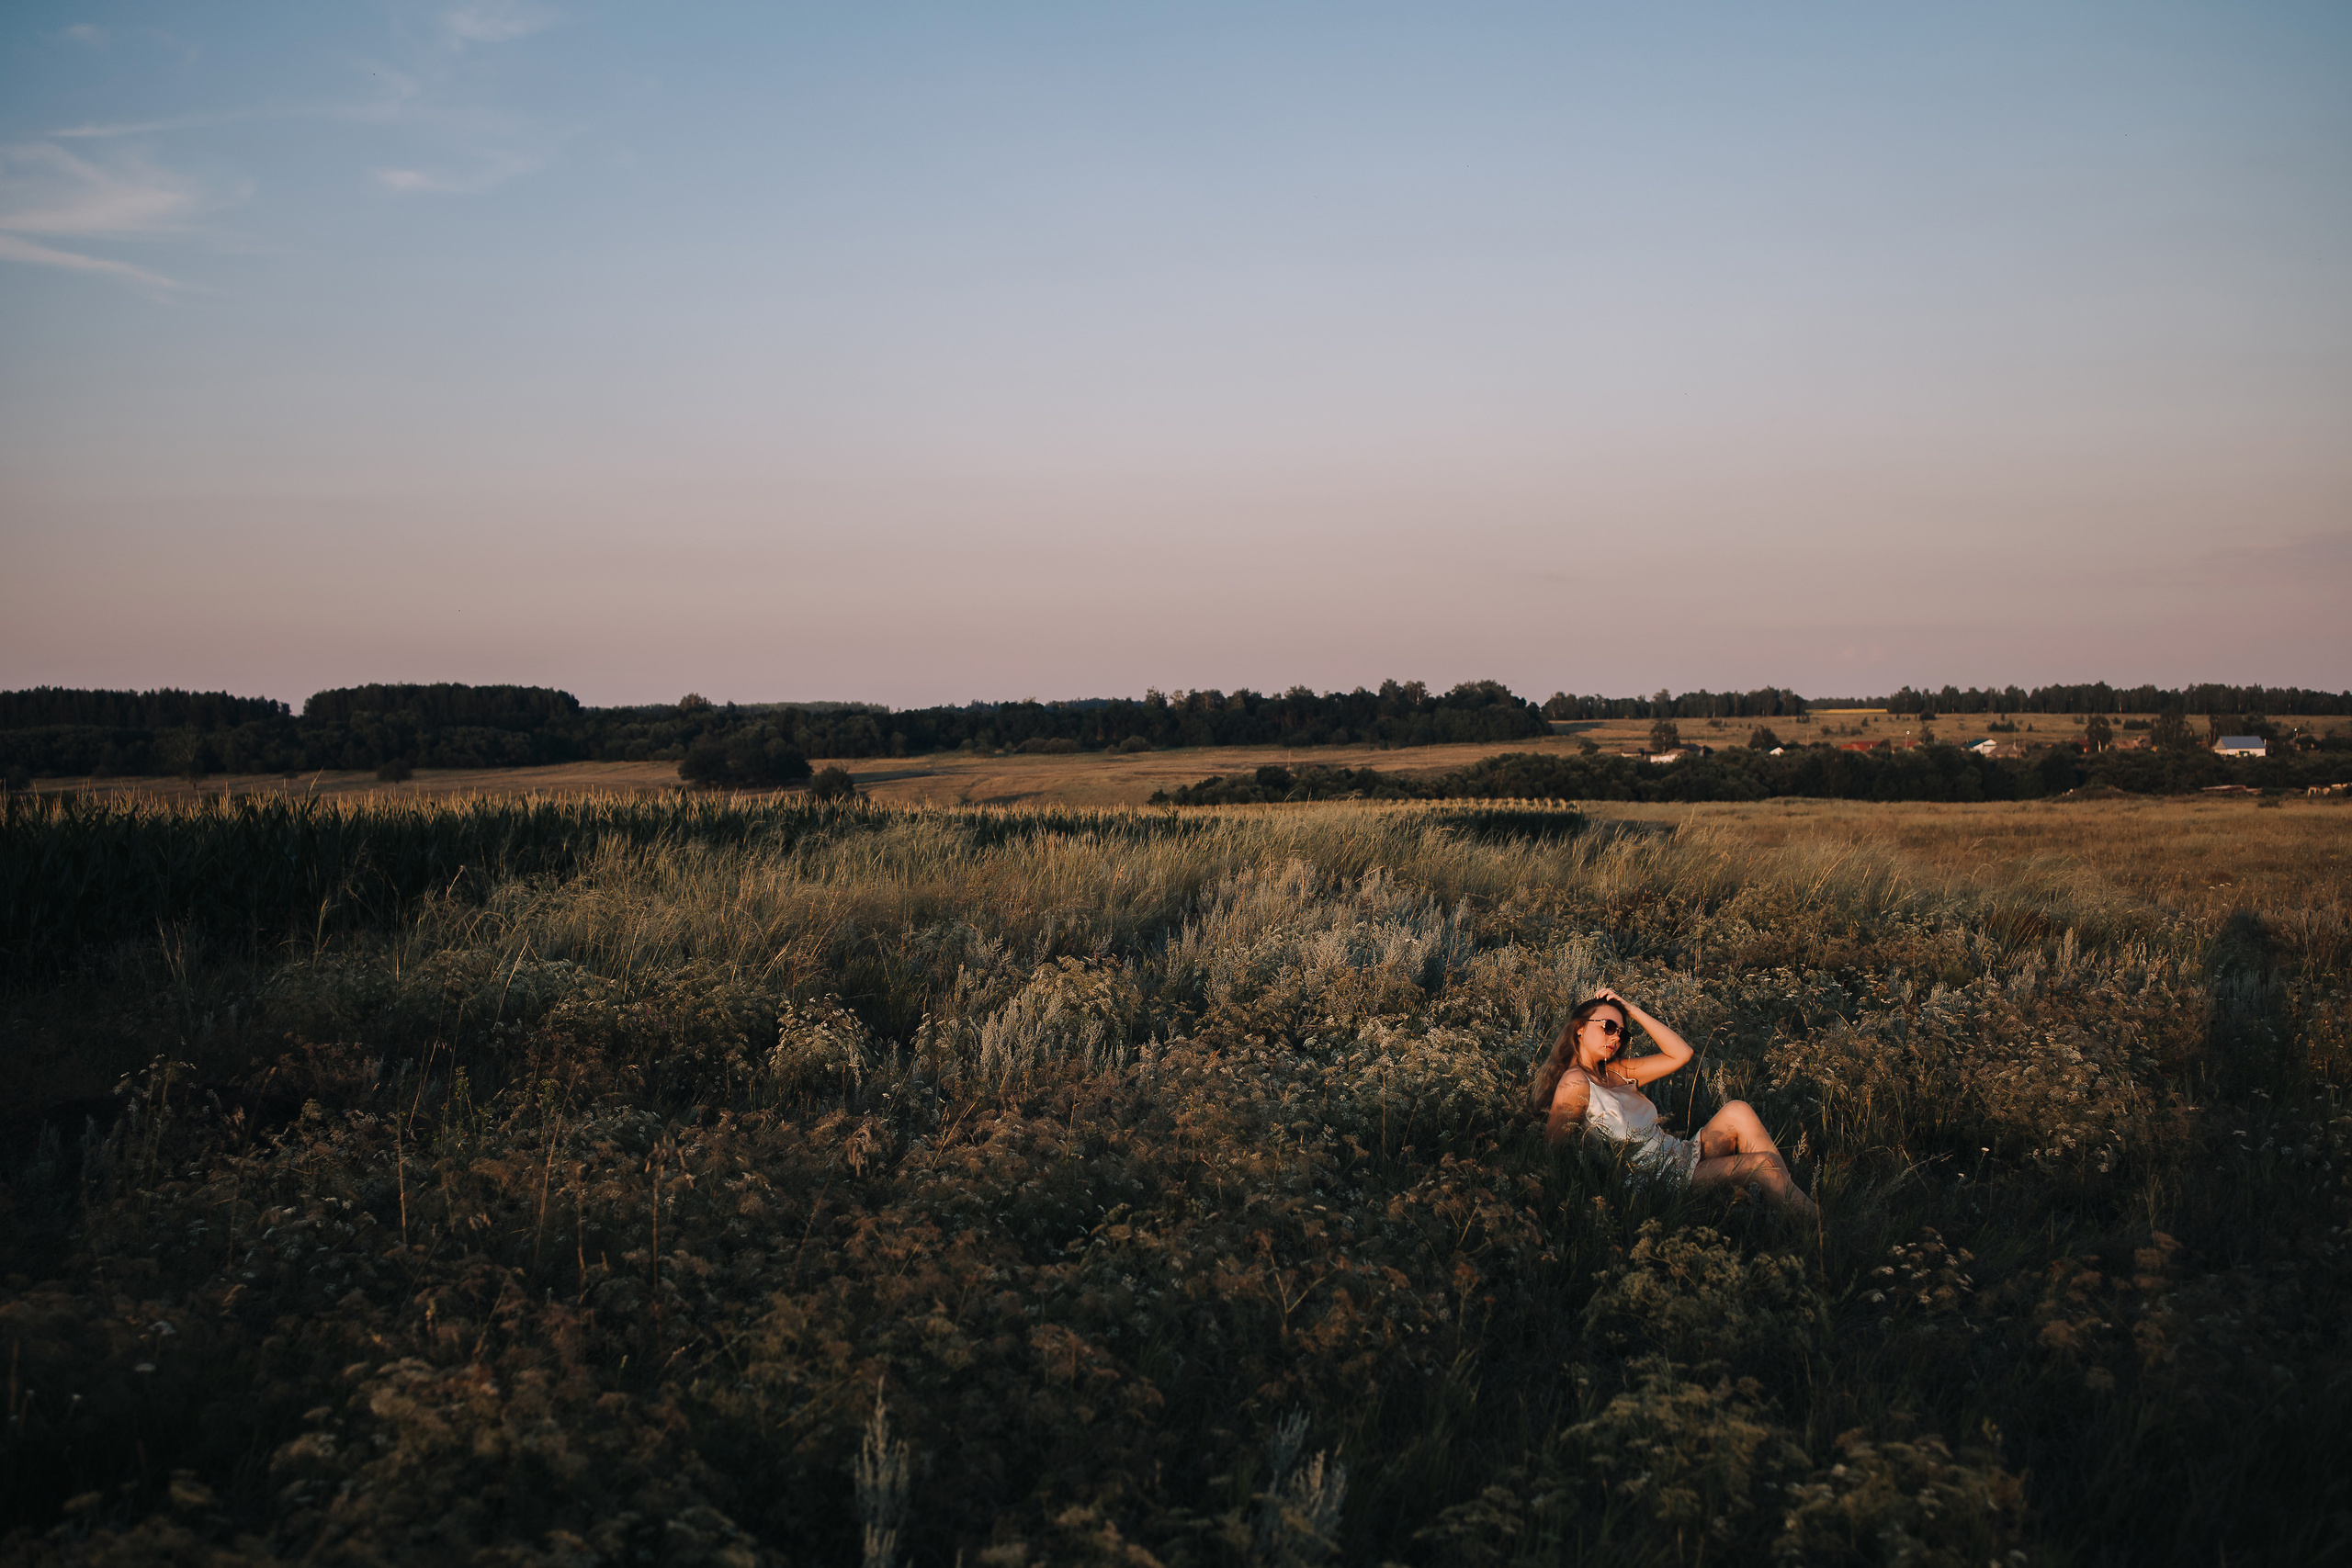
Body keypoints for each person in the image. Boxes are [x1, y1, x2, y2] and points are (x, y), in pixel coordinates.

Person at [1532, 987, 1818, 1218]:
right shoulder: (1575, 1084)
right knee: (1763, 1165)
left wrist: (1630, 1009)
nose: (1616, 1036)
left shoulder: (1617, 1071)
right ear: (1579, 1029)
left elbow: (1680, 1054)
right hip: (1659, 1180)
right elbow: (1553, 1151)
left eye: (1622, 1032)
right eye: (1608, 1026)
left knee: (1738, 1110)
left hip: (1678, 1155)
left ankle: (1786, 1199)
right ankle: (1817, 1229)